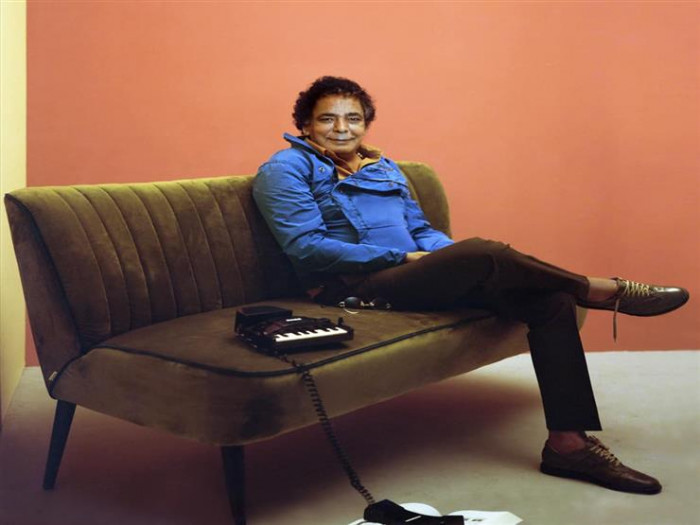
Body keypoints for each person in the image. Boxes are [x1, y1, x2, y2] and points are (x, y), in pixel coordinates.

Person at [253, 76, 689, 495]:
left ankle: (568, 446)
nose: (341, 128)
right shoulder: (286, 169)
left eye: (353, 118)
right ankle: (599, 289)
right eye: (327, 118)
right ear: (305, 124)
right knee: (483, 251)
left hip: (411, 277)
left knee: (551, 299)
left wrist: (451, 259)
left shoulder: (382, 167)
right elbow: (307, 249)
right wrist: (405, 258)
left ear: (366, 124)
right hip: (353, 289)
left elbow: (421, 231)